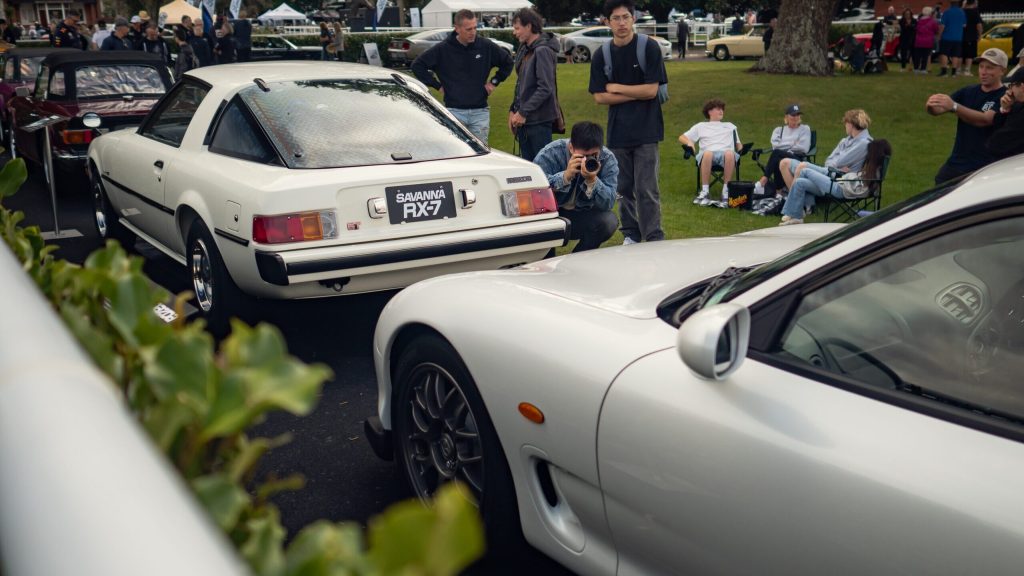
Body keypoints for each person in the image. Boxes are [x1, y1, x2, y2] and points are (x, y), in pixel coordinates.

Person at [589, 0, 667, 244]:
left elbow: (652, 91)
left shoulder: (649, 48)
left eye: (625, 17)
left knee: (647, 189)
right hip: (618, 132)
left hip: (647, 130)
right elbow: (599, 96)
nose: (621, 23)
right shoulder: (602, 55)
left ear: (633, 19)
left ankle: (653, 236)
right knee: (623, 188)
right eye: (616, 18)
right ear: (607, 22)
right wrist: (635, 91)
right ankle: (631, 234)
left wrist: (616, 88)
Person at [411, 8, 512, 145]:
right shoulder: (443, 49)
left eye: (475, 28)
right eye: (468, 29)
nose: (473, 33)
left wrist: (494, 82)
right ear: (457, 28)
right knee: (456, 156)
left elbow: (507, 62)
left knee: (480, 155)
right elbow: (417, 65)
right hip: (453, 112)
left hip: (480, 112)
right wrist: (437, 85)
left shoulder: (485, 46)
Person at [533, 121, 619, 253]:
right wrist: (565, 176)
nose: (588, 160)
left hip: (583, 215)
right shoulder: (550, 154)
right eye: (583, 156)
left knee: (608, 221)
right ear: (571, 147)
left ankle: (577, 258)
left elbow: (609, 202)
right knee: (547, 262)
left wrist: (593, 182)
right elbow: (535, 192)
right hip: (551, 215)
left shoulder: (607, 159)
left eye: (594, 155)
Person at [927, 47, 1008, 183]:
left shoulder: (1005, 96)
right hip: (957, 162)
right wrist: (932, 106)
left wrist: (954, 106)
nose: (983, 72)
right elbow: (939, 110)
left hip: (984, 166)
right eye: (981, 67)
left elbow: (985, 120)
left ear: (1002, 71)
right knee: (940, 191)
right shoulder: (968, 91)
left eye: (989, 68)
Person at [778, 109, 873, 215]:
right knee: (784, 163)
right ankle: (803, 205)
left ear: (851, 124)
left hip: (840, 179)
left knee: (802, 167)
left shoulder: (864, 143)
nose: (845, 126)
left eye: (846, 124)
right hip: (831, 171)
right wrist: (836, 163)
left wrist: (837, 161)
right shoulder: (846, 140)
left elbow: (840, 161)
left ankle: (797, 208)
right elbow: (829, 161)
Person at [779, 138, 891, 226]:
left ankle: (792, 212)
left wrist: (846, 177)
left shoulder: (874, 172)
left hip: (839, 189)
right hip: (840, 184)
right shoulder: (875, 169)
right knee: (800, 182)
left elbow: (858, 187)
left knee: (805, 170)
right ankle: (797, 216)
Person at [509, 7, 559, 162]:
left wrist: (523, 112)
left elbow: (545, 88)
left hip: (538, 121)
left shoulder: (542, 50)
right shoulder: (526, 49)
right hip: (526, 120)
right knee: (530, 169)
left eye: (517, 28)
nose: (514, 32)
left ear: (529, 26)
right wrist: (513, 110)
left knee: (542, 169)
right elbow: (521, 85)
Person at [679, 99, 744, 207]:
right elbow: (682, 137)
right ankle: (705, 191)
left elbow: (738, 144)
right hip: (707, 156)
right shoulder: (700, 126)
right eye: (718, 109)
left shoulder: (730, 126)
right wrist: (690, 143)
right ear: (709, 112)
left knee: (729, 153)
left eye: (722, 109)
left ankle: (726, 191)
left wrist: (742, 149)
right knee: (708, 153)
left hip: (727, 156)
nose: (721, 111)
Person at [754, 104, 812, 197]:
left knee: (777, 153)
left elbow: (803, 148)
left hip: (797, 158)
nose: (796, 117)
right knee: (778, 157)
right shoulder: (778, 130)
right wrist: (793, 143)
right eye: (793, 115)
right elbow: (775, 145)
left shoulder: (805, 129)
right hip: (782, 156)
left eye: (798, 115)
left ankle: (763, 182)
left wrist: (783, 144)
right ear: (786, 117)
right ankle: (779, 193)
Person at [986, 67, 1024, 160]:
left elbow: (996, 145)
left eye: (1011, 86)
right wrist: (1005, 109)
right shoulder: (1018, 106)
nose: (1009, 91)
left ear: (1022, 87)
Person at [936, 0, 965, 77]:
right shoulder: (962, 12)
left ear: (950, 4)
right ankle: (953, 73)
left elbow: (942, 25)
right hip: (958, 37)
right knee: (955, 55)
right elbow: (964, 25)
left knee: (944, 54)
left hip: (947, 37)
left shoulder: (947, 12)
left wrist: (939, 35)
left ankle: (944, 72)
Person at [913, 6, 939, 74]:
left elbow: (916, 29)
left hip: (918, 40)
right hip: (928, 41)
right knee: (925, 56)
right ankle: (923, 69)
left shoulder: (919, 21)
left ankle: (916, 68)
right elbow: (936, 30)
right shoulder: (933, 21)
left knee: (917, 56)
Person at [959, 0, 982, 75]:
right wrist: (980, 34)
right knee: (969, 55)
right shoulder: (974, 12)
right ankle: (967, 70)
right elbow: (979, 25)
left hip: (960, 36)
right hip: (971, 36)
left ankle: (958, 70)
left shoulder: (961, 11)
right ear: (974, 3)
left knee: (960, 54)